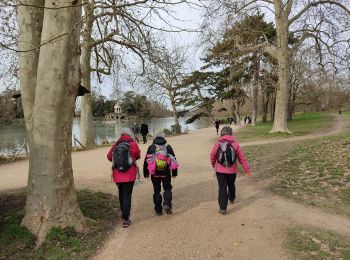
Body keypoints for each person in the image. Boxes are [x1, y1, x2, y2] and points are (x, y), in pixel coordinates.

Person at [210, 126, 250, 214]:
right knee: (231, 185)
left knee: (222, 187)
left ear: (222, 133)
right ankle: (231, 198)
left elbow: (212, 156)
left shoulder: (217, 144)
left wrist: (213, 165)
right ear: (231, 134)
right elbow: (241, 158)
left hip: (220, 171)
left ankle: (223, 208)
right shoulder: (235, 144)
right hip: (232, 171)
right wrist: (246, 169)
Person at [107, 128, 141, 228]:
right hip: (129, 174)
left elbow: (109, 156)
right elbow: (138, 155)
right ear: (130, 134)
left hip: (117, 174)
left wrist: (118, 161)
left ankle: (124, 214)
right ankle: (126, 219)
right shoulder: (132, 143)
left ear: (121, 135)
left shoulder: (116, 144)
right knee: (127, 195)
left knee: (121, 194)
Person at [143, 132, 178, 216]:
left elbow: (146, 161)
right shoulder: (167, 147)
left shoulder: (151, 147)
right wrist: (174, 172)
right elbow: (174, 160)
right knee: (167, 188)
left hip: (154, 173)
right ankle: (167, 204)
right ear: (163, 138)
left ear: (155, 138)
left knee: (156, 190)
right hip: (166, 172)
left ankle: (158, 210)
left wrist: (146, 173)